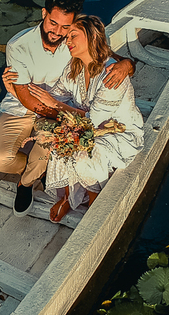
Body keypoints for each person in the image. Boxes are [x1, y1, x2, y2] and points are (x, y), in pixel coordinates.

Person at [0, 0, 133, 215]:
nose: (58, 32)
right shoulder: (19, 45)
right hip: (23, 105)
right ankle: (42, 170)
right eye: (53, 23)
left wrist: (127, 65)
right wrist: (64, 115)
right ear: (44, 13)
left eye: (65, 27)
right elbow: (27, 99)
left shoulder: (75, 39)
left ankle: (25, 183)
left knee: (47, 142)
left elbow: (109, 56)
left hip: (63, 106)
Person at [9, 15, 144, 223]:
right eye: (68, 37)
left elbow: (91, 120)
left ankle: (93, 200)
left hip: (116, 131)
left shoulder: (111, 73)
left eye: (73, 35)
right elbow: (57, 94)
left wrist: (56, 105)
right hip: (86, 125)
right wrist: (16, 90)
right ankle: (69, 198)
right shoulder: (75, 67)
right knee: (59, 142)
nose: (67, 41)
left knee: (84, 155)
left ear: (92, 37)